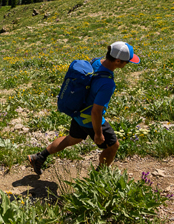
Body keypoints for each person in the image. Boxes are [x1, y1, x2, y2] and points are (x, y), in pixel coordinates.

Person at [28, 41, 140, 173]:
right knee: (113, 146)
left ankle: (39, 157)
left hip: (78, 111)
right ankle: (98, 177)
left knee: (72, 139)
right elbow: (96, 112)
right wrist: (98, 134)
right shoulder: (107, 84)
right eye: (127, 62)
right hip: (89, 118)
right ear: (117, 61)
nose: (127, 64)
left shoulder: (96, 62)